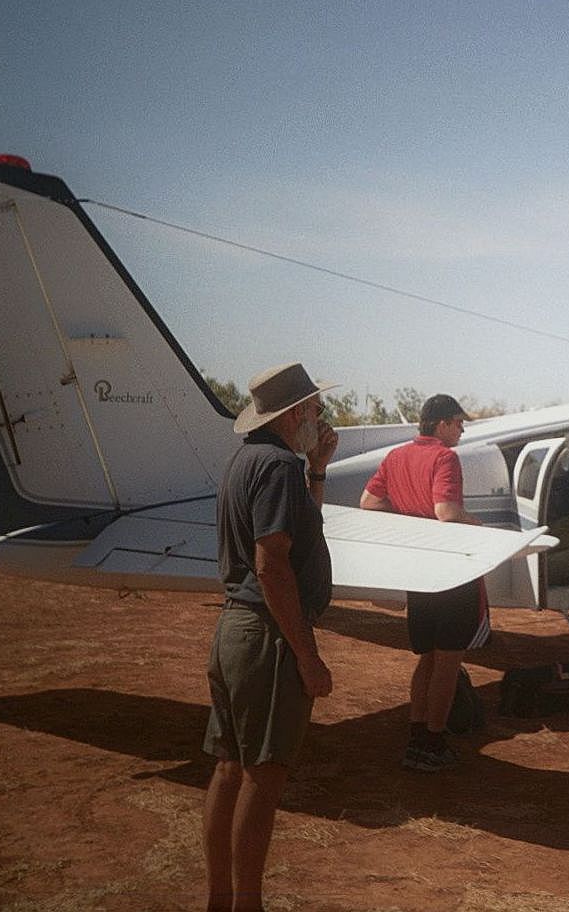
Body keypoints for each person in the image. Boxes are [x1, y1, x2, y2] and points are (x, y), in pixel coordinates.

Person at [202, 362, 339, 912]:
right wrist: (308, 656)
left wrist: (318, 472)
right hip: (267, 637)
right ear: (296, 413)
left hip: (236, 629)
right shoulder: (278, 467)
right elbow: (273, 565)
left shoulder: (250, 463)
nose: (320, 416)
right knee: (264, 776)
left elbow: (293, 539)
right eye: (315, 409)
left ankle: (220, 900)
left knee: (231, 767)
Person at [360, 393, 485, 772]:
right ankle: (432, 743)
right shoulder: (446, 457)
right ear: (442, 424)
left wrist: (406, 517)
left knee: (427, 660)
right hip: (449, 572)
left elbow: (367, 501)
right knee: (448, 663)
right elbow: (445, 512)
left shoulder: (396, 456)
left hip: (418, 572)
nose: (462, 429)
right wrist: (478, 527)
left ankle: (418, 734)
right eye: (459, 422)